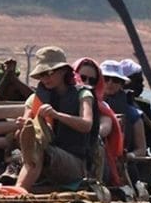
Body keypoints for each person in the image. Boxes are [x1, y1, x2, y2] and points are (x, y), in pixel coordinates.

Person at [15, 46, 99, 191]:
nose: (45, 78)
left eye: (49, 73)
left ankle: (19, 190)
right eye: (41, 75)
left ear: (64, 71)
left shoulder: (83, 95)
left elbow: (87, 124)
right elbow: (24, 132)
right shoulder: (35, 99)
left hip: (76, 164)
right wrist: (23, 126)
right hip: (40, 158)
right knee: (30, 149)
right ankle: (18, 190)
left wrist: (56, 115)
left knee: (41, 151)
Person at [73, 57, 124, 187]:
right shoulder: (63, 99)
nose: (87, 83)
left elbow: (105, 125)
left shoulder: (101, 106)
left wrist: (91, 131)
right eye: (83, 78)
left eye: (93, 80)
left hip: (91, 156)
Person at [100, 59, 147, 186]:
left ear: (121, 84)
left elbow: (141, 149)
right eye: (106, 78)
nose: (110, 83)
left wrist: (130, 156)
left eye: (115, 80)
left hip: (123, 166)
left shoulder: (133, 114)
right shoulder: (87, 105)